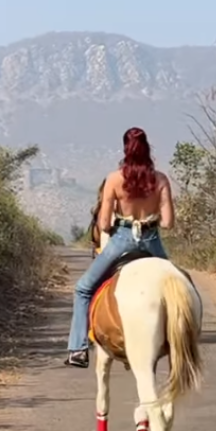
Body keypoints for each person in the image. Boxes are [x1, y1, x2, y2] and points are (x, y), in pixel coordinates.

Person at [65, 127, 175, 368]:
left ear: (126, 149)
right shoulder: (161, 179)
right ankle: (181, 340)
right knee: (179, 288)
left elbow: (104, 224)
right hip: (151, 241)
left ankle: (78, 349)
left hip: (121, 240)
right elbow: (167, 223)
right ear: (148, 149)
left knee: (83, 289)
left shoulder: (114, 179)